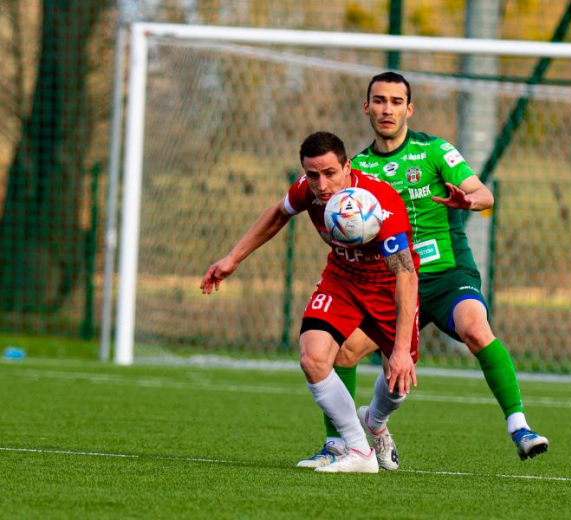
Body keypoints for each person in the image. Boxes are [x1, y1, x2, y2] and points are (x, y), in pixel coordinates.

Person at [299, 72, 548, 470]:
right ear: (366, 107)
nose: (387, 109)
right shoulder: (355, 169)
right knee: (342, 352)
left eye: (396, 102)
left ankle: (520, 426)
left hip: (444, 273)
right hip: (392, 283)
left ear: (409, 109)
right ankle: (349, 439)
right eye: (379, 100)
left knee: (475, 328)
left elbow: (486, 195)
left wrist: (469, 201)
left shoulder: (434, 151)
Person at [201, 131, 420, 473]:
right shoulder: (308, 189)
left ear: (348, 166)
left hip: (386, 288)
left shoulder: (380, 201)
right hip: (342, 281)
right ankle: (359, 452)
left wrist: (402, 349)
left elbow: (405, 275)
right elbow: (277, 213)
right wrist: (233, 258)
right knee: (313, 357)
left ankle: (375, 421)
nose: (321, 183)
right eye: (313, 174)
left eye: (330, 173)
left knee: (397, 384)